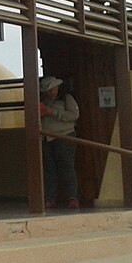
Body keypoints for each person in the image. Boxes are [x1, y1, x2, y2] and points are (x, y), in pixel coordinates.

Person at [39, 75, 80, 209]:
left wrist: (53, 113)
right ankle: (50, 198)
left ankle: (72, 197)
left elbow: (74, 115)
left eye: (52, 89)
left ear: (57, 88)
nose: (50, 93)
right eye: (48, 91)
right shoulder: (42, 102)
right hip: (46, 138)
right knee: (49, 170)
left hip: (64, 137)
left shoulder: (66, 98)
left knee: (67, 168)